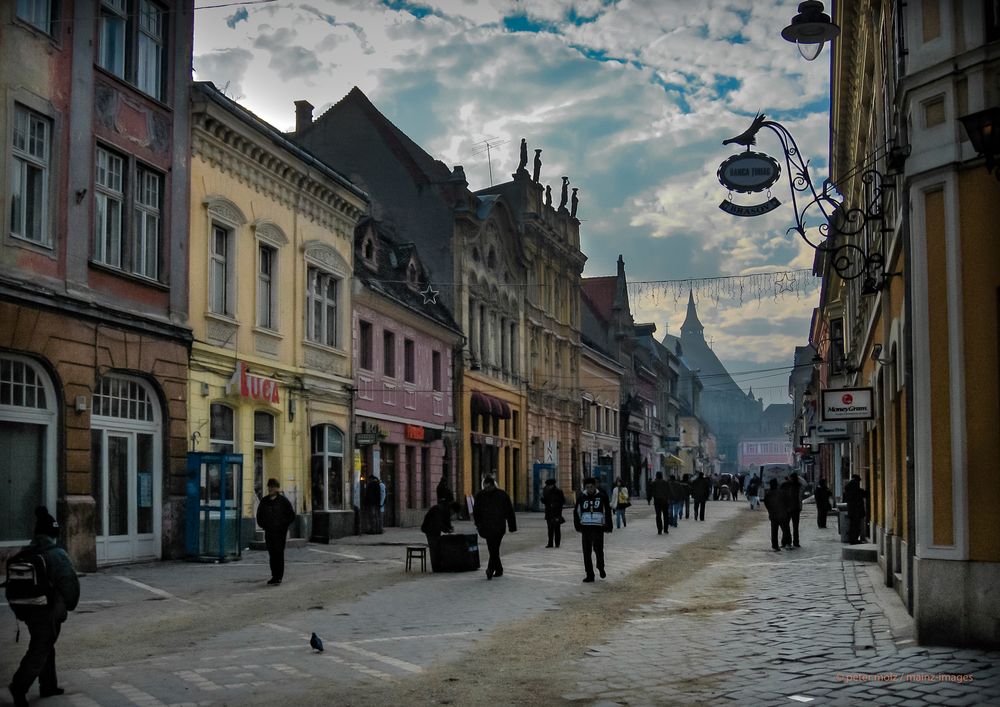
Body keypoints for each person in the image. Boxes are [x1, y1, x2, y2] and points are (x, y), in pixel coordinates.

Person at [8, 507, 80, 707]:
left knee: (45, 641)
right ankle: (19, 686)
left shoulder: (27, 551)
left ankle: (48, 684)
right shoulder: (56, 554)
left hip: (26, 608)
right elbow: (69, 583)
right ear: (53, 533)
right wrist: (69, 605)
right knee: (41, 646)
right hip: (46, 609)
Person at [473, 475, 517, 579]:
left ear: (493, 485)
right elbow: (476, 511)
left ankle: (490, 569)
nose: (486, 489)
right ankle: (499, 569)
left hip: (499, 527)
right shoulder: (480, 495)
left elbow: (510, 511)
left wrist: (512, 526)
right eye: (485, 487)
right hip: (486, 527)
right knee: (492, 549)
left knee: (494, 547)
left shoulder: (502, 495)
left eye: (488, 487)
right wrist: (478, 524)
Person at [256, 478, 296, 585]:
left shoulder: (283, 501)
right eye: (269, 486)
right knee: (272, 554)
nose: (270, 489)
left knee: (279, 553)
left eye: (273, 487)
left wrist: (283, 525)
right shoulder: (264, 501)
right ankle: (274, 575)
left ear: (277, 488)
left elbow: (291, 515)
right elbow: (259, 515)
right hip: (269, 532)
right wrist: (263, 525)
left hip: (280, 533)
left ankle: (279, 576)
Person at [573, 477, 612, 582]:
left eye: (591, 487)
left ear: (595, 486)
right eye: (587, 487)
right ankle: (589, 574)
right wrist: (578, 526)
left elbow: (607, 511)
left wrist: (608, 526)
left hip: (598, 527)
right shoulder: (581, 497)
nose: (590, 489)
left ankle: (601, 566)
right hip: (586, 527)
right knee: (586, 551)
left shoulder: (602, 496)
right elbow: (576, 512)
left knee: (598, 549)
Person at [420, 498, 454, 572]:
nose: (452, 515)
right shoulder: (439, 509)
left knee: (437, 547)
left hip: (434, 529)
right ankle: (436, 567)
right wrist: (447, 529)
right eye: (453, 513)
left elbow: (446, 521)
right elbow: (438, 523)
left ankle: (438, 565)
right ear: (451, 509)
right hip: (429, 529)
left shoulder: (445, 510)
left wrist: (449, 528)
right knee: (434, 547)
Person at [763, 479, 789, 551]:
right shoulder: (782, 492)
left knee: (774, 531)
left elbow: (766, 504)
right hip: (782, 514)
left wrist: (770, 511)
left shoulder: (768, 494)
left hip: (773, 515)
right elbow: (787, 502)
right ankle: (787, 543)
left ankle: (775, 546)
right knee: (785, 530)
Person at [780, 472, 804, 547]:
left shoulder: (795, 485)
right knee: (791, 527)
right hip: (792, 508)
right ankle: (792, 542)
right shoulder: (797, 485)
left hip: (792, 508)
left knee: (788, 527)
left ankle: (789, 542)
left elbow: (805, 483)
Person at [541, 478, 566, 548]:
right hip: (549, 512)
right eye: (547, 486)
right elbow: (545, 501)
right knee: (550, 529)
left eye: (549, 485)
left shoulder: (558, 491)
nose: (548, 487)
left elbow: (563, 501)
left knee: (557, 529)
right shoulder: (545, 491)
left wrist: (556, 505)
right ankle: (550, 543)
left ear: (553, 485)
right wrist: (542, 500)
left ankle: (557, 543)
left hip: (556, 513)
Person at [844, 474, 865, 544]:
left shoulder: (849, 487)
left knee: (853, 525)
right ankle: (854, 540)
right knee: (855, 526)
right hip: (856, 510)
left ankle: (852, 539)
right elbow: (859, 493)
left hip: (852, 510)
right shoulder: (854, 485)